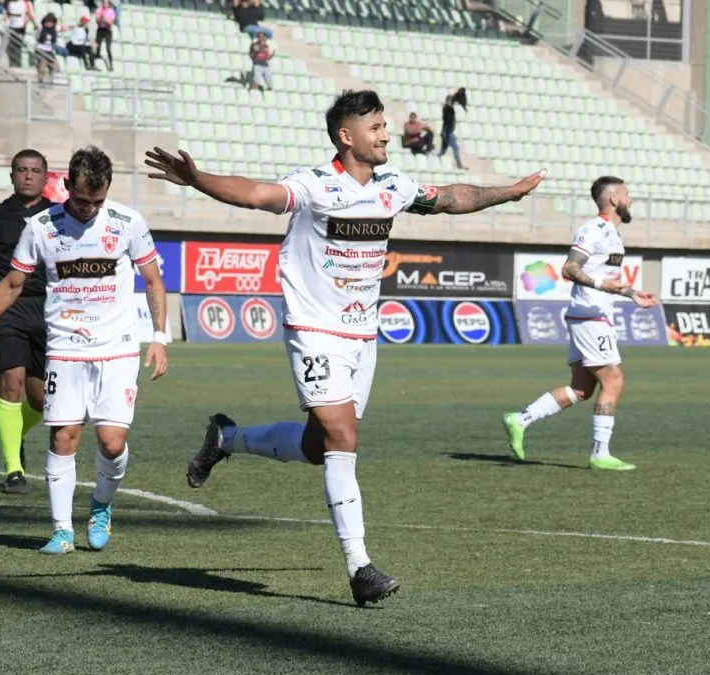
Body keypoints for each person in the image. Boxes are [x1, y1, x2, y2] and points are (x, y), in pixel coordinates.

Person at [144, 89, 544, 606]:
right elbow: (256, 195)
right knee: (343, 436)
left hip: (362, 334)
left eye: (384, 127)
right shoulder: (313, 186)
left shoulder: (393, 186)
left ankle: (227, 438)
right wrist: (198, 179)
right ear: (346, 135)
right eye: (375, 128)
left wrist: (507, 193)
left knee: (319, 447)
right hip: (314, 328)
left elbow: (450, 198)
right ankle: (360, 567)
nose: (386, 135)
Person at [0, 146, 169, 555]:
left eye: (98, 200)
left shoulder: (127, 222)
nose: (90, 208)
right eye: (83, 199)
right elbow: (12, 284)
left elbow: (153, 281)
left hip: (118, 347)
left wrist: (159, 338)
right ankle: (61, 530)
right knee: (64, 436)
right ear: (67, 185)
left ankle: (101, 506)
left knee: (111, 442)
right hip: (65, 346)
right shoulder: (40, 226)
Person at [502, 176, 658, 471]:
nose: (631, 200)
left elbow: (607, 282)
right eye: (627, 195)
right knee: (614, 380)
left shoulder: (612, 234)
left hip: (591, 314)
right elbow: (569, 268)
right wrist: (602, 285)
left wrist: (631, 293)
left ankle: (520, 419)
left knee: (582, 389)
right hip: (590, 316)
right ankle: (600, 454)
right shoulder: (593, 230)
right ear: (614, 200)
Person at [0, 149, 55, 494]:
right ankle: (13, 472)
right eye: (21, 170)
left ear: (46, 178)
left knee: (42, 401)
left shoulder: (60, 216)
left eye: (35, 171)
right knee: (11, 384)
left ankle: (13, 432)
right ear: (12, 176)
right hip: (8, 308)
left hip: (50, 311)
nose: (28, 176)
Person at [438, 94, 465, 170]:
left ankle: (437, 160)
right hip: (448, 132)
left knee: (444, 149)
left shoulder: (446, 108)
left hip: (448, 131)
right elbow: (448, 122)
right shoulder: (449, 109)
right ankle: (459, 164)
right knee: (454, 148)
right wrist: (447, 131)